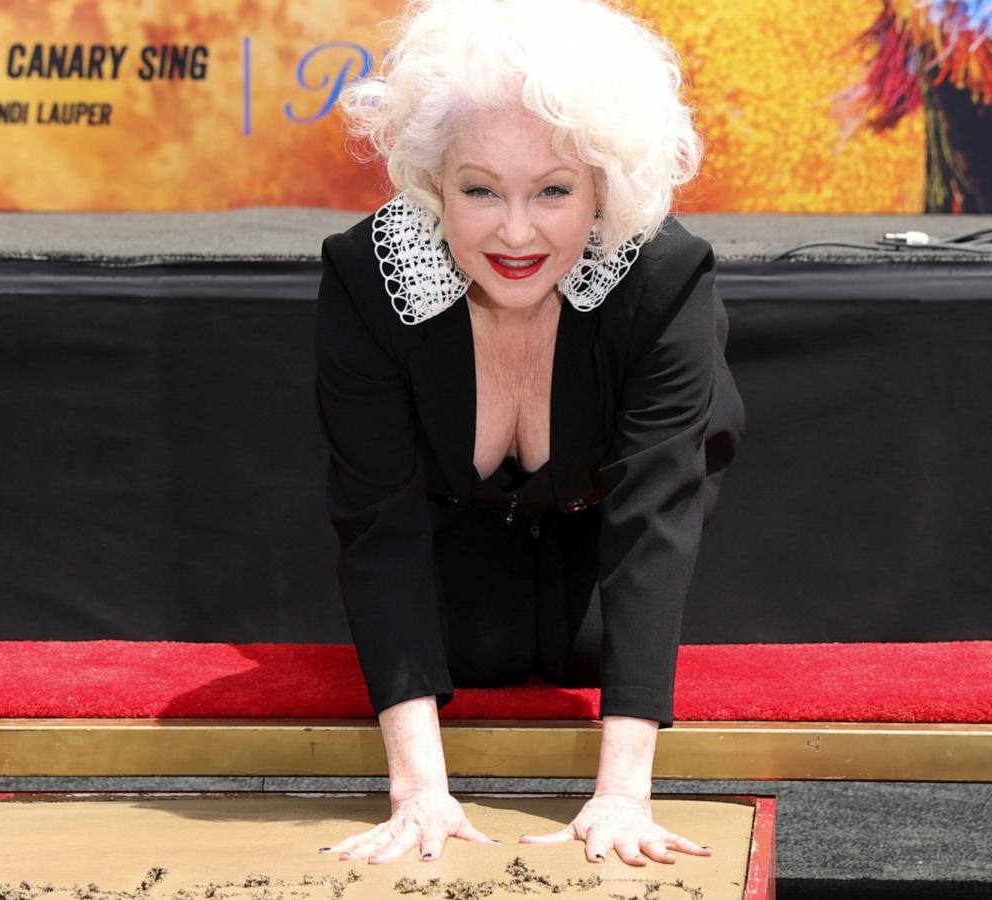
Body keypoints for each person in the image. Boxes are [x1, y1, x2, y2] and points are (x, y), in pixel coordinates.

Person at [313, 0, 744, 869]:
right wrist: (420, 794)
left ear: (604, 186)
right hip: (458, 560)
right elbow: (380, 525)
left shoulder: (663, 277)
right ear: (434, 183)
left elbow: (654, 519)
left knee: (593, 649)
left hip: (608, 554)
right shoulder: (368, 279)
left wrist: (622, 798)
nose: (515, 232)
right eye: (480, 190)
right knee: (471, 653)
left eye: (553, 190)